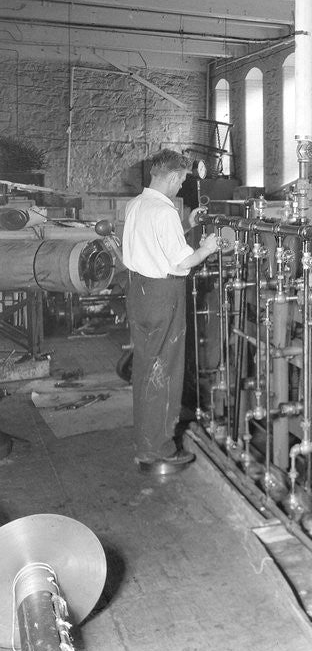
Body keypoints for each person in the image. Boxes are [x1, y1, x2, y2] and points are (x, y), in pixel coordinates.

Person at [122, 149, 219, 474]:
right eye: (181, 181)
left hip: (139, 291)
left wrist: (186, 225)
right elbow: (181, 261)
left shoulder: (137, 204)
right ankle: (159, 451)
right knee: (164, 372)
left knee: (145, 369)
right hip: (163, 295)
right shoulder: (163, 211)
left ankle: (144, 444)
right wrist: (207, 248)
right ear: (173, 176)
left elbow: (157, 243)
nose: (180, 186)